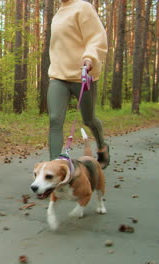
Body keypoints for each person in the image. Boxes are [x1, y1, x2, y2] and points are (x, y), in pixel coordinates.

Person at [48, 0, 110, 168]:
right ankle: (55, 168)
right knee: (55, 120)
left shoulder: (83, 8)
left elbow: (97, 37)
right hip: (58, 75)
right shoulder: (58, 13)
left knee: (88, 119)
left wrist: (90, 57)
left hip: (83, 74)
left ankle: (102, 146)